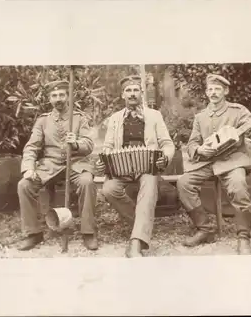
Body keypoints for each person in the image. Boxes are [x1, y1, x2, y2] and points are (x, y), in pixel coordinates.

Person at [177, 74, 251, 255]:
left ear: (225, 91)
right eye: (210, 89)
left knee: (238, 185)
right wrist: (199, 150)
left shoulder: (237, 111)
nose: (213, 92)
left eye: (217, 89)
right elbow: (193, 143)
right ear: (206, 92)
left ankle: (243, 238)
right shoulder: (200, 117)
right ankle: (205, 229)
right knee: (184, 183)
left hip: (232, 160)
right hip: (207, 162)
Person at [96, 75, 175, 258]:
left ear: (141, 93)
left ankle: (136, 242)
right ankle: (141, 226)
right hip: (121, 169)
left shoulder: (154, 116)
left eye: (135, 90)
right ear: (123, 95)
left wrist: (164, 158)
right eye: (128, 91)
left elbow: (167, 144)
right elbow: (107, 146)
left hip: (146, 167)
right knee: (108, 189)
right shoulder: (115, 119)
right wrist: (104, 161)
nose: (132, 94)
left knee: (149, 187)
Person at [17, 80, 99, 251]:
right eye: (54, 96)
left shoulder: (79, 118)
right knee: (24, 185)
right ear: (49, 99)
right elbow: (32, 146)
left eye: (62, 95)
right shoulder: (43, 121)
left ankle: (88, 232)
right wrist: (28, 168)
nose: (58, 99)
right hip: (50, 165)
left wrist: (76, 143)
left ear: (68, 96)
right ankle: (33, 233)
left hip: (76, 164)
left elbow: (89, 145)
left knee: (87, 182)